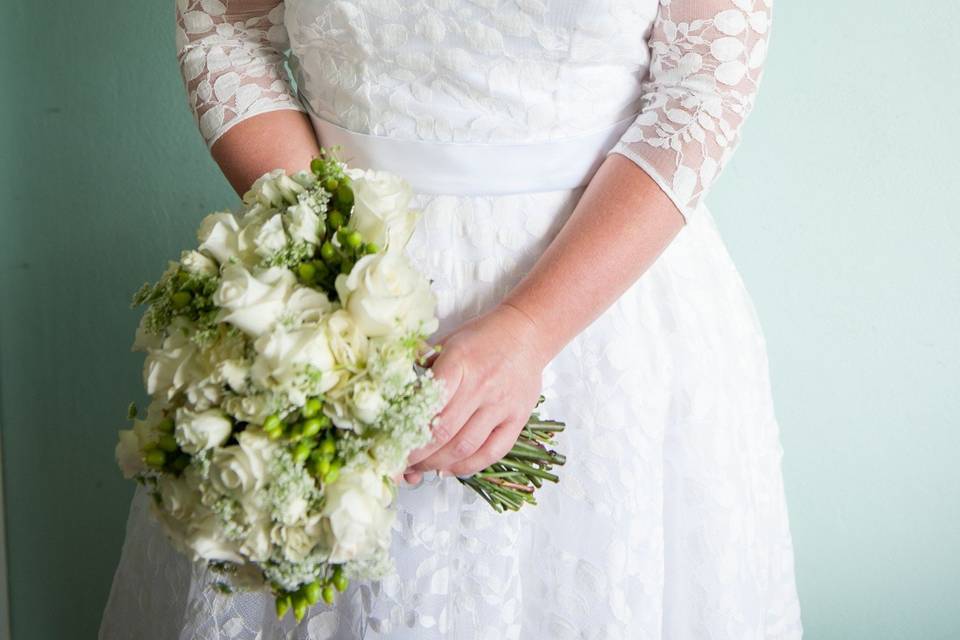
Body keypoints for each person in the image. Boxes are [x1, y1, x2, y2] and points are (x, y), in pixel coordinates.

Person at [100, 0, 803, 637]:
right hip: (330, 289)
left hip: (602, 313)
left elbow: (703, 88)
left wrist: (531, 329)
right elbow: (223, 26)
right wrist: (329, 270)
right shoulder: (329, 273)